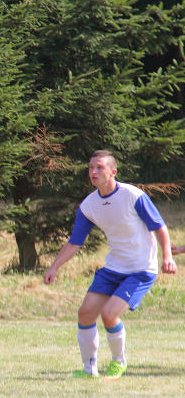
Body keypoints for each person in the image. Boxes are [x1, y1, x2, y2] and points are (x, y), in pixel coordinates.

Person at [43, 150, 176, 380]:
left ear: (113, 172)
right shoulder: (89, 205)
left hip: (141, 269)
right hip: (114, 267)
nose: (93, 172)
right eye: (91, 168)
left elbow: (160, 227)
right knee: (85, 314)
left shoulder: (132, 195)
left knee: (109, 314)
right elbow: (75, 242)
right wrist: (54, 267)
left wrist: (167, 257)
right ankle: (89, 369)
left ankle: (118, 362)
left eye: (99, 168)